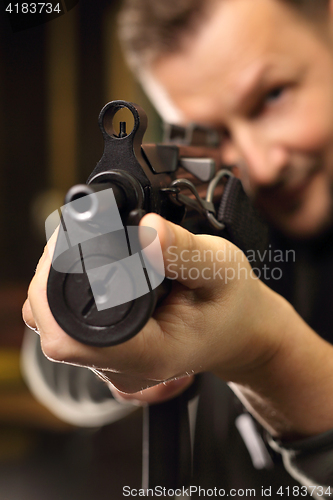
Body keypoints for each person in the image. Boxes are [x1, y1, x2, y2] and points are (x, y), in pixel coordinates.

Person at [23, 0, 333, 496]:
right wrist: (111, 319)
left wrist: (265, 352)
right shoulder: (216, 208)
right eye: (210, 135)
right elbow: (54, 370)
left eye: (272, 97)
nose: (261, 163)